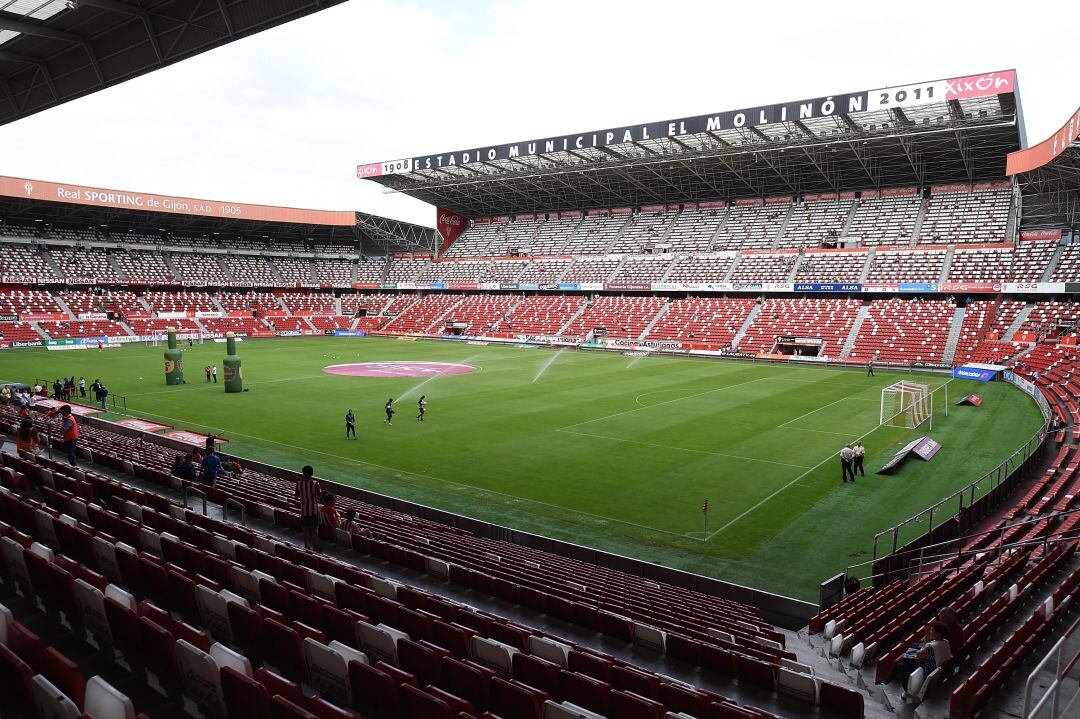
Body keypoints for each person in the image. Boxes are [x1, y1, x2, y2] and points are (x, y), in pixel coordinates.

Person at [893, 622, 951, 687]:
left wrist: (926, 640)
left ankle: (907, 689)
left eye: (932, 630)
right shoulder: (946, 642)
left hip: (924, 671)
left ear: (938, 634)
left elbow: (918, 655)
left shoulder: (931, 646)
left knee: (900, 665)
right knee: (911, 650)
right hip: (934, 668)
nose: (930, 632)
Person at [295, 465, 322, 551]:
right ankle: (315, 545)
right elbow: (319, 496)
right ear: (312, 473)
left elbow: (296, 496)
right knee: (314, 529)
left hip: (303, 510)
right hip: (314, 510)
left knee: (305, 529)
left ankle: (306, 545)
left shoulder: (299, 483)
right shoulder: (315, 483)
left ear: (303, 473)